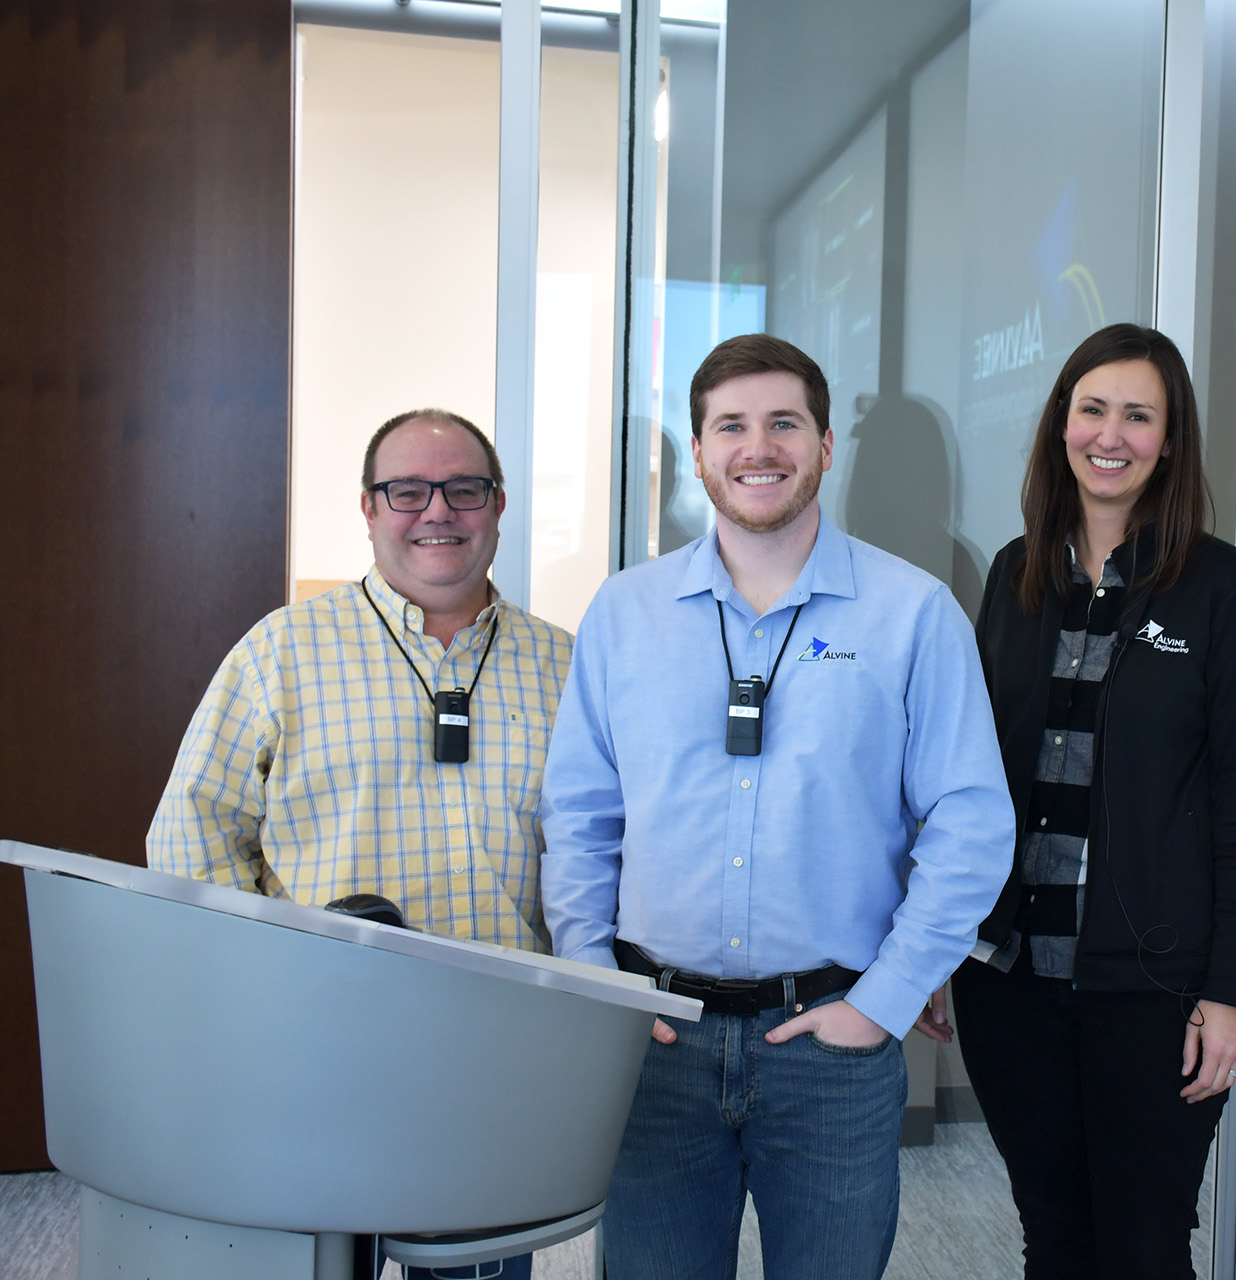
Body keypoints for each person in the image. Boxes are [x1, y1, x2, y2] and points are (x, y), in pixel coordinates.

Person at [538, 333, 1014, 1280]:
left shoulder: (915, 615)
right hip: (656, 1046)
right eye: (732, 426)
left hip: (832, 1049)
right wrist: (601, 988)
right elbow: (581, 818)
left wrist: (886, 1000)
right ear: (701, 448)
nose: (759, 448)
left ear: (827, 445)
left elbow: (971, 826)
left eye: (784, 423)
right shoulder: (625, 615)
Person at [149, 407, 574, 1280]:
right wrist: (267, 982)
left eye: (464, 489)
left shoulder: (567, 665)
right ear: (369, 508)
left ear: (499, 506)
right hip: (319, 1044)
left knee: (475, 1273)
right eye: (407, 490)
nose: (437, 511)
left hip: (493, 1054)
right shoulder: (282, 650)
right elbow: (190, 833)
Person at [951, 323, 1236, 1280]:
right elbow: (972, 788)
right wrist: (946, 942)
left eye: (1140, 415)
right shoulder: (1015, 574)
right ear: (1062, 422)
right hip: (1011, 983)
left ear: (1170, 439)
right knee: (1052, 1238)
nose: (1113, 433)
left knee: (1142, 1248)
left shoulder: (1222, 589)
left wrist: (1230, 993)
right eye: (1092, 408)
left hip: (1155, 995)